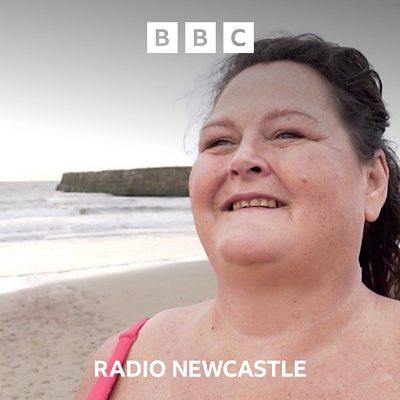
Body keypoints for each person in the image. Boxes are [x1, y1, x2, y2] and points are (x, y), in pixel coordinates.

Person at [76, 34, 400, 399]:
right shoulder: (121, 363)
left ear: (373, 182)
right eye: (219, 141)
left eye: (287, 133)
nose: (242, 159)